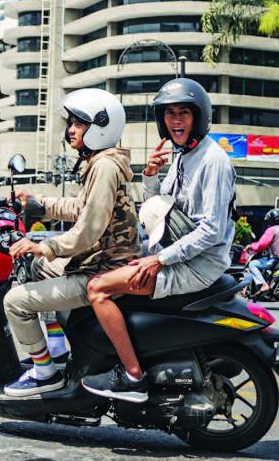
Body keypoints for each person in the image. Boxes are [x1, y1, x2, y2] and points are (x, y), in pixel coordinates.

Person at [82, 78, 235, 403]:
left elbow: (211, 231)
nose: (176, 120)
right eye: (169, 114)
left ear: (198, 116)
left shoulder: (214, 161)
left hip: (196, 265)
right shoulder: (183, 155)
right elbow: (155, 206)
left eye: (183, 113)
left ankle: (133, 375)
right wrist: (150, 174)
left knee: (97, 288)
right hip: (172, 249)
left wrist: (157, 260)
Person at [3, 88, 140, 397]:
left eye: (80, 123)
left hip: (103, 271)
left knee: (14, 301)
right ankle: (58, 346)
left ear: (102, 126)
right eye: (72, 123)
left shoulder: (104, 167)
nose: (71, 130)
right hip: (96, 263)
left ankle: (44, 371)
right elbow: (81, 208)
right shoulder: (101, 163)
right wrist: (40, 204)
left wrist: (44, 246)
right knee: (37, 268)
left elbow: (88, 230)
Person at [243, 208, 279, 293]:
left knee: (252, 264)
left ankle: (264, 285)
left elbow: (261, 245)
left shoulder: (271, 230)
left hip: (277, 260)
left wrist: (251, 246)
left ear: (270, 221)